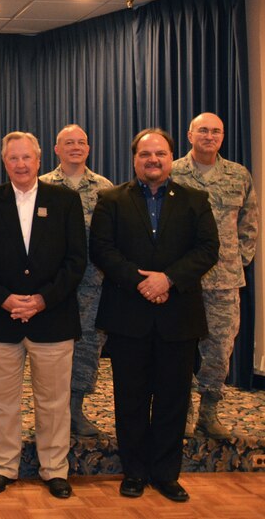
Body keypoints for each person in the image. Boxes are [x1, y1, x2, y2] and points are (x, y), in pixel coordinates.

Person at [90, 128, 219, 502]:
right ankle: (134, 472)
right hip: (128, 315)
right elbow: (102, 249)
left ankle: (166, 474)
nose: (153, 160)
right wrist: (141, 282)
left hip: (178, 317)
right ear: (134, 159)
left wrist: (168, 280)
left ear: (171, 158)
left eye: (160, 154)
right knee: (129, 400)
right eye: (146, 154)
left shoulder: (196, 199)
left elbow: (208, 249)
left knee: (173, 399)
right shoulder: (110, 199)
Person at [0, 131, 86, 499]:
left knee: (53, 401)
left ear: (38, 160)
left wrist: (42, 300)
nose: (20, 164)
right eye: (13, 158)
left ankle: (54, 469)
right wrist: (5, 300)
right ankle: (4, 467)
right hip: (1, 320)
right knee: (1, 400)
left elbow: (76, 260)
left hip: (53, 317)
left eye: (26, 158)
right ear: (5, 163)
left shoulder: (65, 200)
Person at [170, 112, 259, 439]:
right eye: (203, 131)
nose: (209, 136)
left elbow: (249, 224)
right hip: (180, 282)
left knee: (219, 351)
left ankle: (209, 411)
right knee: (177, 350)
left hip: (223, 283)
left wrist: (237, 260)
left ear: (222, 137)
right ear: (190, 134)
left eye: (216, 132)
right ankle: (182, 411)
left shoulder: (238, 175)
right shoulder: (172, 172)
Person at [39, 124, 114, 437]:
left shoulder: (105, 188)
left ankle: (76, 408)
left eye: (81, 142)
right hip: (51, 284)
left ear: (88, 148)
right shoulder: (41, 185)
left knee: (86, 349)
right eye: (68, 142)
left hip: (92, 285)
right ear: (56, 149)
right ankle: (50, 411)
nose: (76, 147)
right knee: (49, 349)